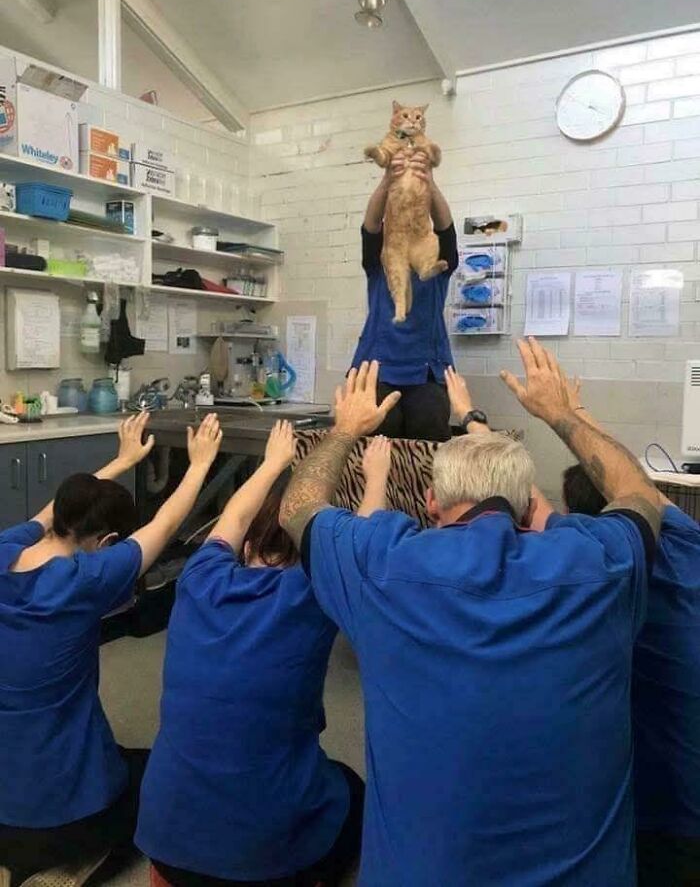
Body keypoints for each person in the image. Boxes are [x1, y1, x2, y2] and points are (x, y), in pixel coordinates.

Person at [279, 347, 661, 887]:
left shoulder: (382, 565)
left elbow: (297, 508)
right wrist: (560, 413)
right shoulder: (602, 562)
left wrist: (344, 431)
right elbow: (640, 493)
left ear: (430, 501)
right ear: (530, 508)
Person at [136, 424, 393, 887]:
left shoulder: (199, 579)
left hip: (163, 844)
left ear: (249, 546)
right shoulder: (310, 591)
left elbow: (233, 519)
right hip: (261, 862)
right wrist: (377, 478)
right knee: (352, 790)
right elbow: (360, 547)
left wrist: (273, 463)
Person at [0, 413, 222, 887]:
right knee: (159, 782)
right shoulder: (83, 580)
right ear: (107, 542)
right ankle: (73, 863)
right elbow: (166, 523)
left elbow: (50, 513)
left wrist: (120, 462)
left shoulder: (5, 549)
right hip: (54, 816)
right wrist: (201, 464)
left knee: (115, 756)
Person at [544, 396, 700, 887]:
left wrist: (474, 421)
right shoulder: (688, 539)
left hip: (675, 825)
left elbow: (531, 512)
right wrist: (570, 414)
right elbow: (638, 486)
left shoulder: (599, 585)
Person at [351, 150, 459, 441]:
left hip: (427, 373)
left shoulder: (438, 268)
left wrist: (429, 183)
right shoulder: (379, 265)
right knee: (376, 442)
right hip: (375, 371)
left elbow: (446, 229)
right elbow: (371, 226)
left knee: (428, 437)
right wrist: (387, 180)